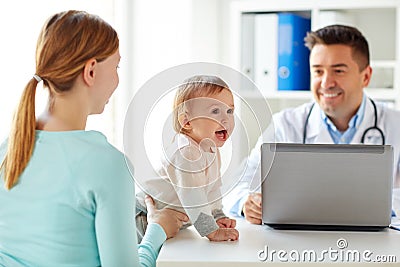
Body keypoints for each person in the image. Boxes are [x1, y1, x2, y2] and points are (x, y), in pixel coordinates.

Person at [0, 10, 188, 267]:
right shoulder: (108, 165)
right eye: (116, 66)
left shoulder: (9, 150)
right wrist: (156, 230)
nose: (117, 78)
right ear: (90, 71)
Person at [227, 24, 400, 224]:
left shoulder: (395, 125)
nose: (326, 83)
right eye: (318, 71)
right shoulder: (285, 124)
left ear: (366, 76)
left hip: (376, 246)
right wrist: (245, 203)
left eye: (338, 71)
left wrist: (382, 206)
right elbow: (238, 184)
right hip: (299, 247)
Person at [136, 75, 239, 242]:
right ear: (187, 121)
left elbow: (212, 188)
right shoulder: (186, 152)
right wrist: (211, 230)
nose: (225, 118)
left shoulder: (210, 148)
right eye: (215, 111)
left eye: (230, 111)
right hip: (146, 216)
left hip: (170, 221)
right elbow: (194, 196)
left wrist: (217, 215)